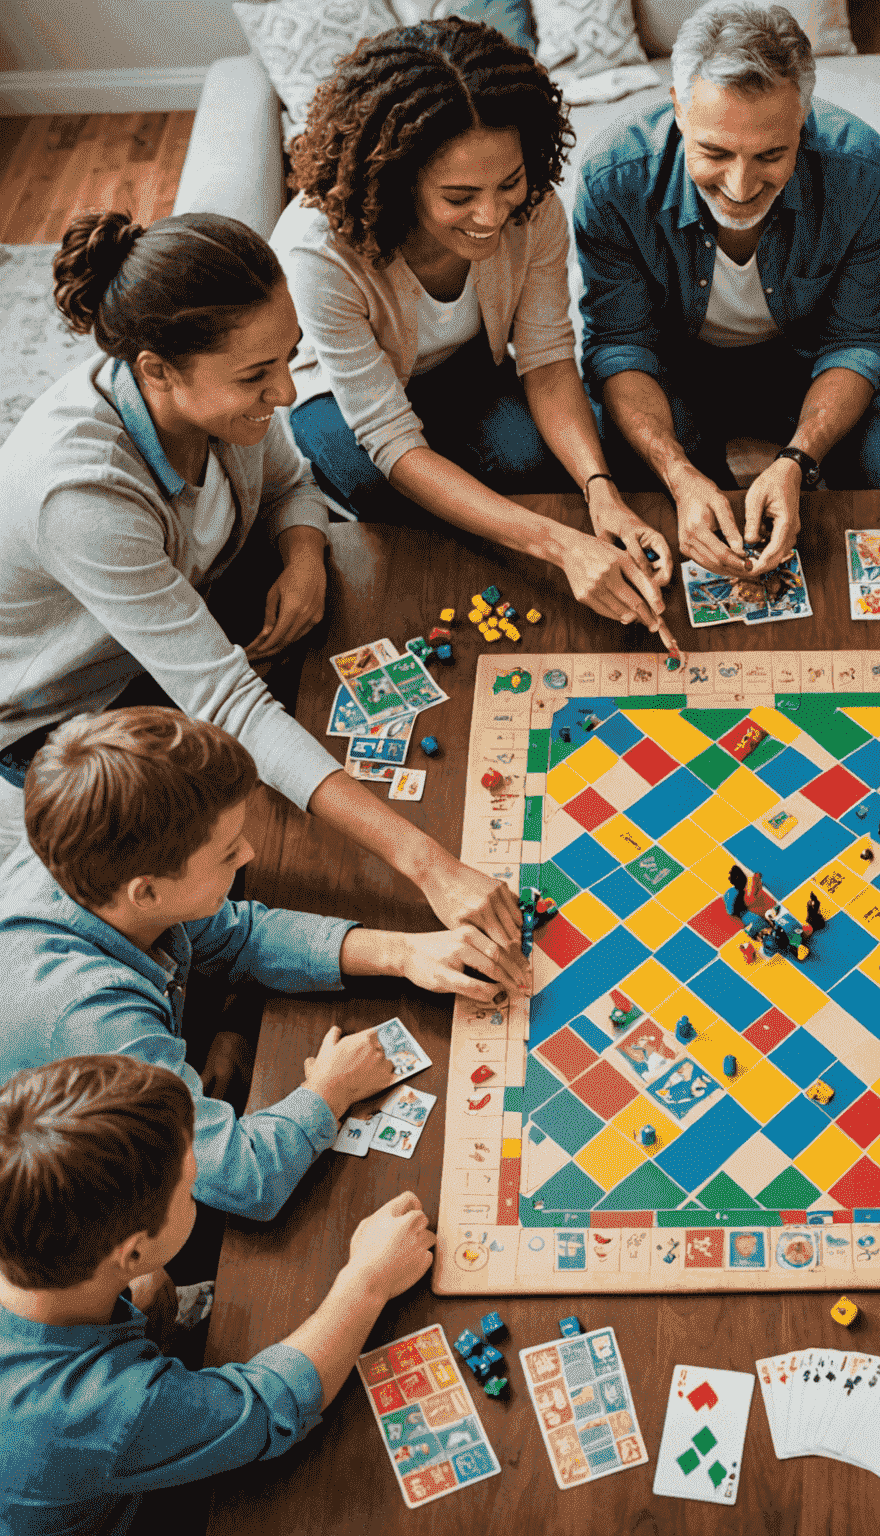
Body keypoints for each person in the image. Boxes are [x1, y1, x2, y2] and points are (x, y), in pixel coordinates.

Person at [0, 208, 529, 966]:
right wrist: (429, 865)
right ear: (156, 370)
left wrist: (305, 554)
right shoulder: (79, 494)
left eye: (288, 357)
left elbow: (292, 483)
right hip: (62, 725)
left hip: (170, 648)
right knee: (228, 882)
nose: (285, 392)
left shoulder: (220, 402)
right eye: (257, 375)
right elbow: (223, 701)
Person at [0, 709, 517, 1223]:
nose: (248, 853)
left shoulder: (88, 859)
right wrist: (328, 1091)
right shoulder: (94, 1017)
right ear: (148, 891)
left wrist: (405, 952)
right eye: (227, 853)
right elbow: (241, 1179)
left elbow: (235, 935)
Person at [276, 18, 676, 640]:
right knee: (386, 495)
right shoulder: (317, 251)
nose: (491, 216)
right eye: (459, 196)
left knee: (537, 463)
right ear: (399, 179)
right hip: (342, 397)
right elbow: (391, 438)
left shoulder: (536, 210)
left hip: (459, 366)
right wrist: (562, 546)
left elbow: (546, 359)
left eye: (508, 183)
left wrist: (601, 492)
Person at [0, 1053, 436, 1536]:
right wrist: (367, 1281)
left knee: (152, 1291)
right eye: (189, 1190)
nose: (195, 1193)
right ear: (136, 1249)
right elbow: (270, 1408)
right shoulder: (99, 1407)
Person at [576, 0, 880, 579]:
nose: (739, 186)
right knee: (645, 498)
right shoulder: (613, 176)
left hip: (802, 364)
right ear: (679, 110)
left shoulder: (859, 165)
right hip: (670, 372)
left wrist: (797, 459)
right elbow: (620, 346)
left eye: (770, 155)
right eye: (714, 153)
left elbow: (856, 341)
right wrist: (680, 472)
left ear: (802, 118)